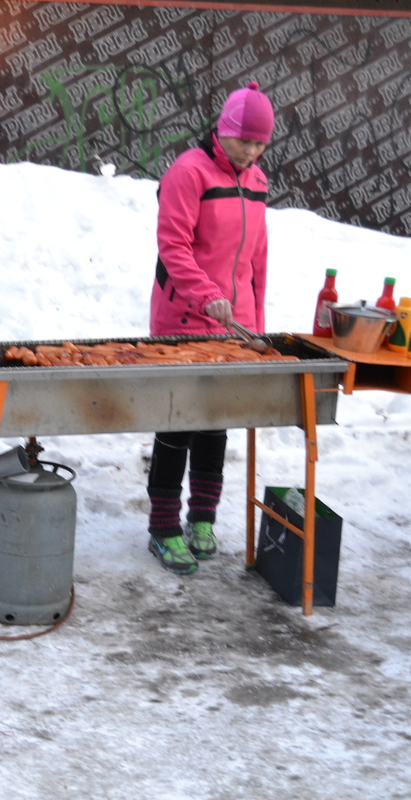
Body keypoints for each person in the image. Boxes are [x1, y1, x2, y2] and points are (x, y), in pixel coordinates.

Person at [145, 80, 274, 574]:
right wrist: (206, 295)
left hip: (231, 326)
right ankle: (163, 527)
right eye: (245, 141)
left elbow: (256, 260)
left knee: (216, 421)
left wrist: (254, 326)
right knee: (178, 421)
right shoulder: (189, 172)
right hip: (182, 319)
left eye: (260, 144)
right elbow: (173, 246)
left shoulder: (257, 182)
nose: (252, 152)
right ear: (224, 131)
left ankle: (203, 518)